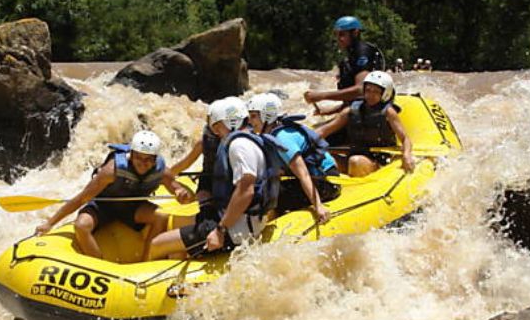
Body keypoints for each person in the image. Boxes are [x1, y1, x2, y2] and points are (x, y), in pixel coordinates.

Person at [147, 98, 284, 260]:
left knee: (157, 244)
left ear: (228, 123)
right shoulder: (251, 140)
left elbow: (246, 191)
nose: (215, 132)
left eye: (216, 126)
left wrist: (220, 231)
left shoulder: (238, 146)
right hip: (245, 222)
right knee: (178, 234)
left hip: (235, 230)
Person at [35, 130, 170, 259]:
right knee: (81, 226)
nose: (143, 163)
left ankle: (147, 260)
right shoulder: (111, 171)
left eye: (148, 159)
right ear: (131, 155)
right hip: (103, 206)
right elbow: (82, 198)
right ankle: (97, 262)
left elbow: (175, 186)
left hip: (133, 207)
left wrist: (180, 192)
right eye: (139, 158)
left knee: (161, 216)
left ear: (155, 159)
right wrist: (50, 223)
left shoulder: (161, 170)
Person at [247, 93, 336, 220]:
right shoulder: (269, 135)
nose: (250, 121)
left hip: (327, 179)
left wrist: (318, 206)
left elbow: (303, 174)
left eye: (253, 116)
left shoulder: (282, 138)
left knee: (273, 194)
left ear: (268, 116)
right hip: (315, 177)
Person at [314, 70, 415, 178]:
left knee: (356, 162)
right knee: (322, 158)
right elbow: (324, 130)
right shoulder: (350, 111)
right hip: (353, 155)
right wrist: (304, 141)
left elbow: (405, 139)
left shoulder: (389, 112)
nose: (370, 95)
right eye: (368, 90)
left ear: (385, 93)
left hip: (378, 159)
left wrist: (406, 155)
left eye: (376, 91)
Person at [302, 16, 385, 116]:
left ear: (355, 33)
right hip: (357, 111)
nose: (339, 39)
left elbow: (360, 90)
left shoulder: (362, 52)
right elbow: (353, 101)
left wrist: (321, 96)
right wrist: (328, 112)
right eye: (337, 35)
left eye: (342, 34)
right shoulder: (351, 57)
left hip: (369, 114)